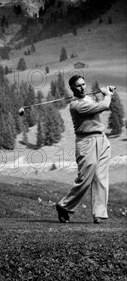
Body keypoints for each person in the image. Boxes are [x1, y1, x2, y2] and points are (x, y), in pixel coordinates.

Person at [56, 75, 114, 224]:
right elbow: (103, 106)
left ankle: (99, 214)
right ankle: (64, 206)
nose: (82, 87)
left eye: (83, 84)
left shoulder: (88, 99)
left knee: (101, 178)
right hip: (86, 142)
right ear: (72, 88)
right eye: (78, 86)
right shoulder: (76, 105)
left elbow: (98, 105)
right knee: (85, 179)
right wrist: (107, 94)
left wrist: (103, 94)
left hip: (102, 140)